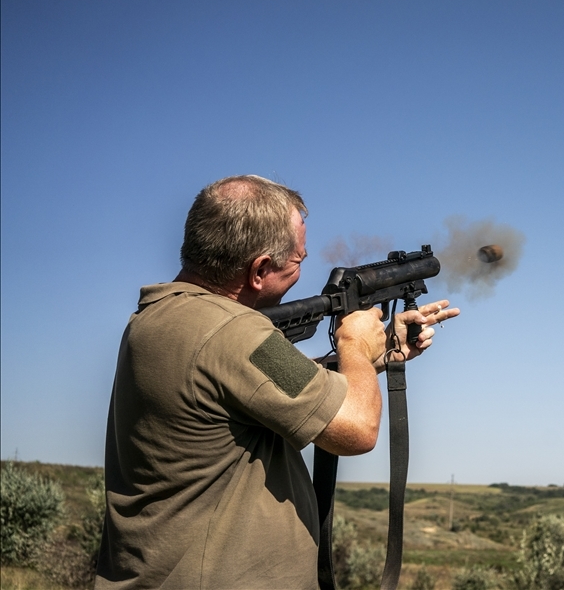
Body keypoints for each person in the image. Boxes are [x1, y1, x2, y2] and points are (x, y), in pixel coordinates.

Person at [96, 175, 458, 589]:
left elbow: (258, 386)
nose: (302, 269)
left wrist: (374, 355)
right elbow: (357, 430)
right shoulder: (234, 334)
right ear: (259, 270)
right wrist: (354, 345)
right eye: (299, 261)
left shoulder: (161, 317)